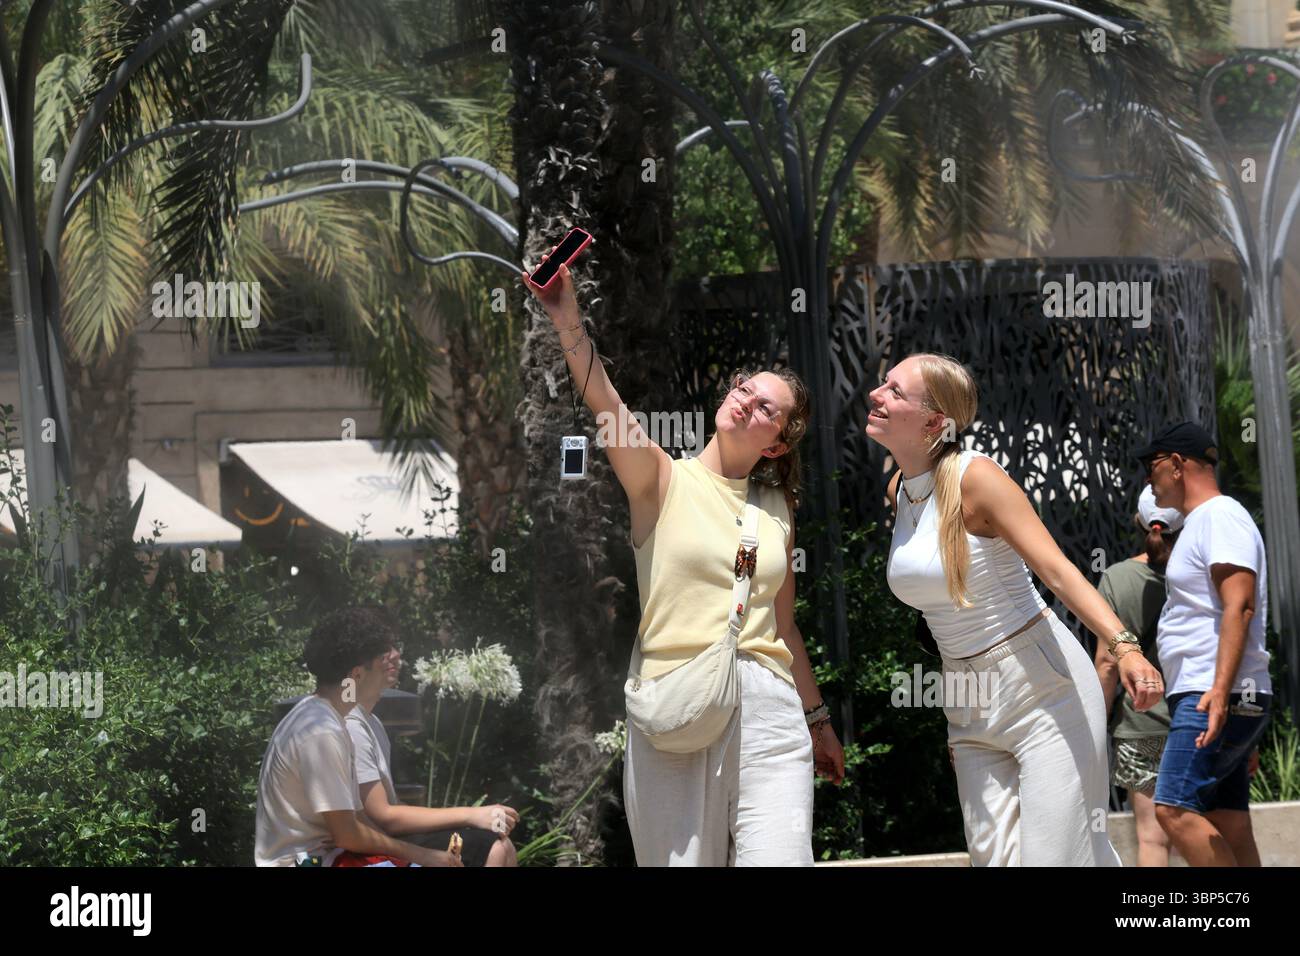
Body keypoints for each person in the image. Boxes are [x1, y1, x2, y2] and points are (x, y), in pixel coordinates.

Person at [522, 253, 844, 867]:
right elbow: (606, 404)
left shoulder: (776, 507)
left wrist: (818, 719)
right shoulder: (661, 480)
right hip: (678, 702)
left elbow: (783, 624)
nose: (746, 402)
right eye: (745, 388)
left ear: (777, 442)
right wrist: (567, 318)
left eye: (766, 407)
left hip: (770, 708)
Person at [866, 352, 1163, 866]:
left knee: (1059, 858)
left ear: (936, 422)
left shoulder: (976, 478)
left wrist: (1125, 648)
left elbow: (1057, 570)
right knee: (993, 859)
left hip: (1043, 691)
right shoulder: (899, 492)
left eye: (894, 391)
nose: (877, 395)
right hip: (966, 697)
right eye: (883, 384)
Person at [1138, 421, 1272, 866]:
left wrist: (1219, 693)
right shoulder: (1206, 521)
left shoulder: (1220, 515)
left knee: (1172, 808)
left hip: (1209, 692)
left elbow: (1240, 606)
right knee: (1226, 820)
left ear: (1177, 465)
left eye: (1151, 465)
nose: (1147, 477)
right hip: (1217, 690)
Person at [254, 606, 461, 867]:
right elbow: (348, 835)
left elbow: (356, 821)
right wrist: (422, 855)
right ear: (357, 675)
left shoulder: (327, 719)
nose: (391, 663)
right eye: (380, 661)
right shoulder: (322, 730)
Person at [347, 640, 520, 867]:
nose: (396, 655)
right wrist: (472, 815)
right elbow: (384, 817)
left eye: (395, 646)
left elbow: (392, 805)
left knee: (501, 844)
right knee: (493, 848)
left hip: (388, 840)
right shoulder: (351, 726)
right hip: (368, 850)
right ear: (356, 667)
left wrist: (467, 819)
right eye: (383, 649)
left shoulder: (372, 722)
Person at [1093, 484, 1181, 867]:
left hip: (1139, 724)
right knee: (1205, 828)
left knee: (1152, 839)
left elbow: (1108, 663)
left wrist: (1096, 723)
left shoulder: (1115, 579)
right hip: (1195, 717)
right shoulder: (1204, 573)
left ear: (1140, 523)